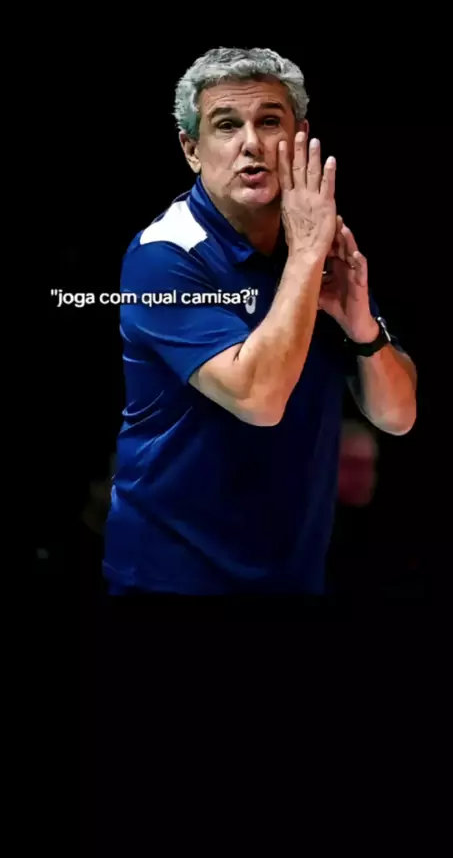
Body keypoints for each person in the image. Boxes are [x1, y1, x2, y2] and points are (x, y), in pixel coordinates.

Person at [103, 46, 417, 595]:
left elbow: (398, 416)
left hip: (292, 576)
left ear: (300, 137)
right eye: (226, 125)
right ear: (191, 149)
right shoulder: (165, 256)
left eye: (270, 121)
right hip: (173, 578)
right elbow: (259, 399)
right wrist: (306, 259)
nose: (251, 143)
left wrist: (363, 329)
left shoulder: (311, 239)